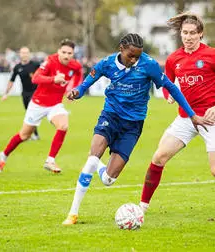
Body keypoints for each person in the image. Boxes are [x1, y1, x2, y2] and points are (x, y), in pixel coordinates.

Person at [62, 33, 207, 225]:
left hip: (133, 125)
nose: (134, 60)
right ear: (121, 48)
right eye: (131, 55)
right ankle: (73, 213)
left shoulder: (149, 65)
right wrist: (76, 92)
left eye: (137, 56)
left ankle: (96, 162)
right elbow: (85, 85)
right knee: (91, 159)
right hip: (110, 116)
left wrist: (191, 114)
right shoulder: (106, 63)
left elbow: (172, 88)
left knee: (108, 180)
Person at [137, 12, 215, 214]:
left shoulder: (214, 55)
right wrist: (168, 94)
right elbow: (167, 83)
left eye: (192, 33)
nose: (188, 37)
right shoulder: (173, 59)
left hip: (210, 119)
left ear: (200, 34)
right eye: (184, 33)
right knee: (159, 157)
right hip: (185, 118)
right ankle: (141, 208)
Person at [0, 39, 82, 174]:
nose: (66, 55)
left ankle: (50, 161)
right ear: (59, 51)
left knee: (63, 126)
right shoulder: (50, 61)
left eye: (69, 53)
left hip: (55, 105)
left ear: (73, 54)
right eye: (63, 52)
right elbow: (35, 78)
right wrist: (53, 79)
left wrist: (74, 90)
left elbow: (79, 74)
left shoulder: (75, 65)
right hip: (38, 104)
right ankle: (3, 155)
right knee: (24, 135)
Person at [2, 47, 41, 140]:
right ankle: (34, 134)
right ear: (20, 54)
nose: (25, 54)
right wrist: (6, 93)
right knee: (29, 114)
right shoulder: (17, 67)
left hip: (35, 92)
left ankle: (34, 135)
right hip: (25, 93)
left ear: (29, 54)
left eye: (26, 53)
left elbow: (44, 74)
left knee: (32, 113)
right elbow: (12, 80)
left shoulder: (35, 65)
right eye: (23, 53)